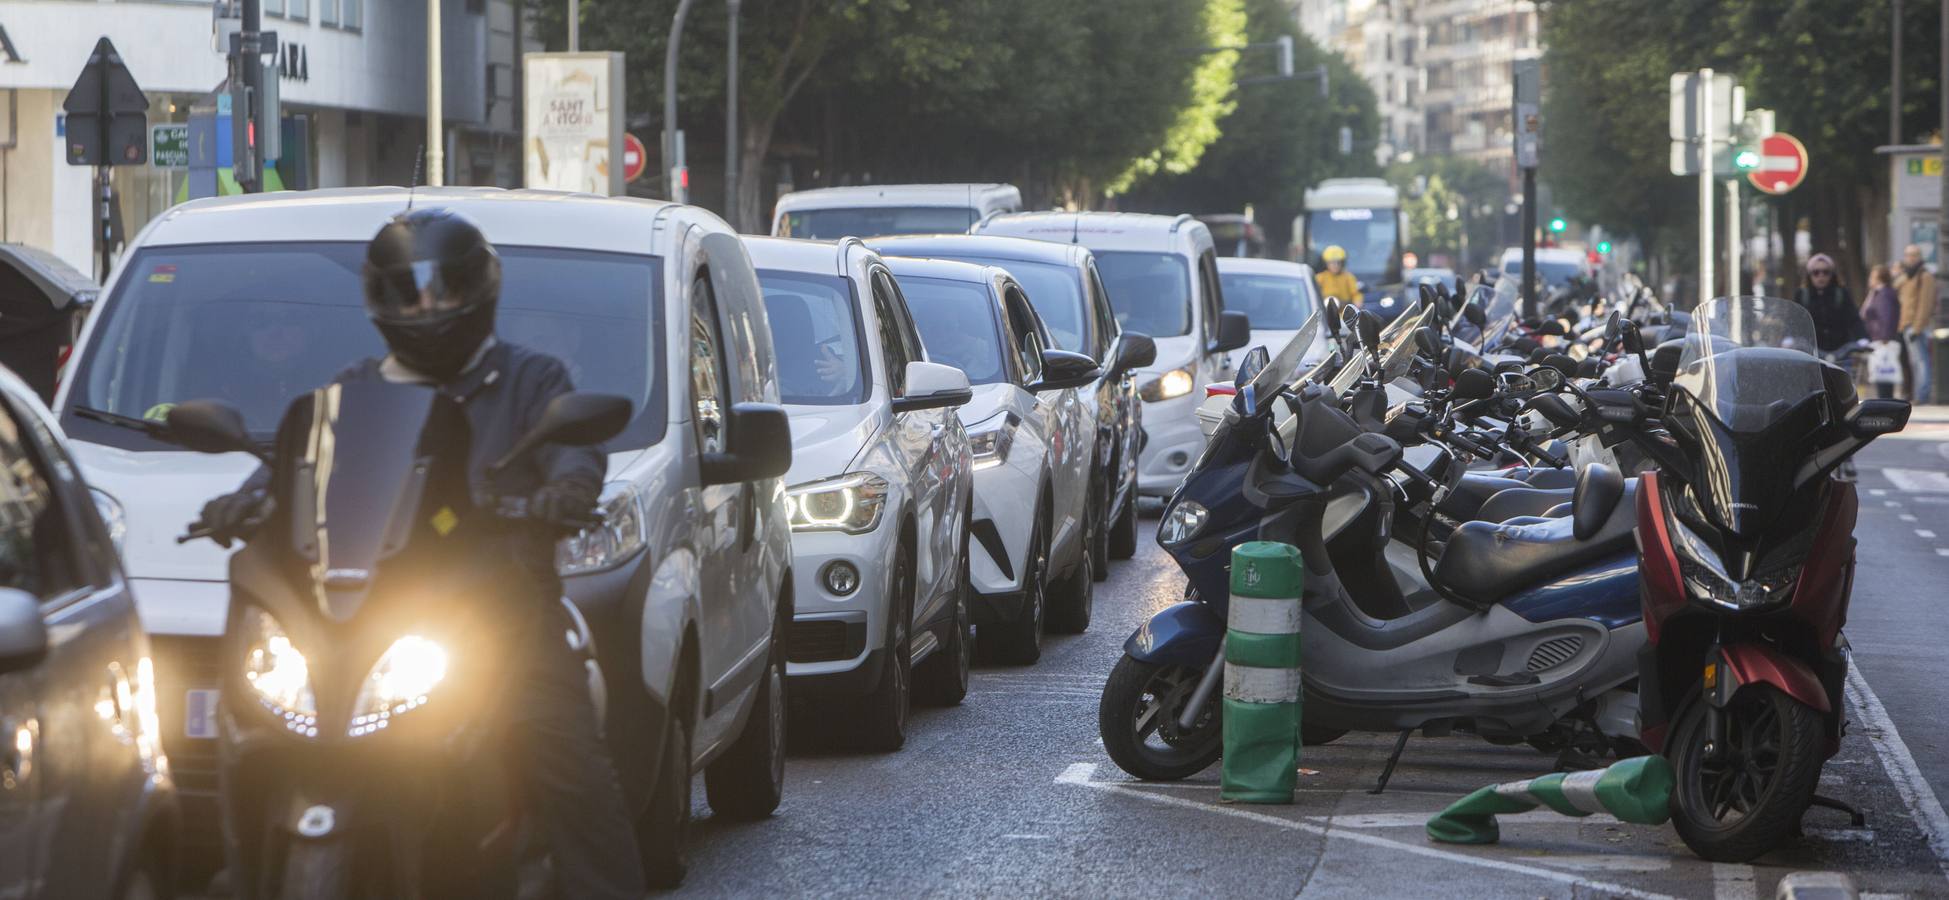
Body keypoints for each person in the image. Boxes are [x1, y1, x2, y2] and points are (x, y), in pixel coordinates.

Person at [197, 208, 647, 899]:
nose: (429, 306)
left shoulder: (532, 380)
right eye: (409, 292)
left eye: (444, 289)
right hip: (362, 622)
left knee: (568, 766)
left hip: (498, 617)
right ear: (382, 300)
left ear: (481, 289)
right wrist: (246, 499)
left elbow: (575, 453)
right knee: (250, 725)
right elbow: (297, 470)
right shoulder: (352, 390)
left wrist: (565, 492)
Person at [1793, 254, 1863, 353]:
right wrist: (1789, 338)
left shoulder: (1842, 293)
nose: (1821, 276)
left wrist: (1862, 338)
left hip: (1840, 351)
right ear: (1809, 275)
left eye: (1826, 272)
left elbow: (1854, 319)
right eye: (1816, 272)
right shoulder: (1801, 295)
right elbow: (1794, 320)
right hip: (1811, 353)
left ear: (1832, 274)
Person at [1895, 243, 1938, 403]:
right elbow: (1895, 286)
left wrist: (1917, 327)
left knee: (1921, 361)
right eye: (1907, 255)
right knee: (1913, 362)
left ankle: (1922, 395)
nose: (1910, 258)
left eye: (1913, 255)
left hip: (1916, 326)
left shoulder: (1925, 276)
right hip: (1905, 324)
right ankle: (1917, 394)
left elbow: (1925, 304)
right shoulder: (1908, 276)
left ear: (1919, 257)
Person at [1863, 265, 1904, 400]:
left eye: (1872, 276)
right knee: (1882, 375)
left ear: (1878, 278)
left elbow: (1886, 316)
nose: (1869, 279)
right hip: (1879, 337)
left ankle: (1886, 400)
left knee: (1883, 375)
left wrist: (1884, 337)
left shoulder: (1884, 294)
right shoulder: (1877, 293)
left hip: (1882, 338)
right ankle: (1886, 398)